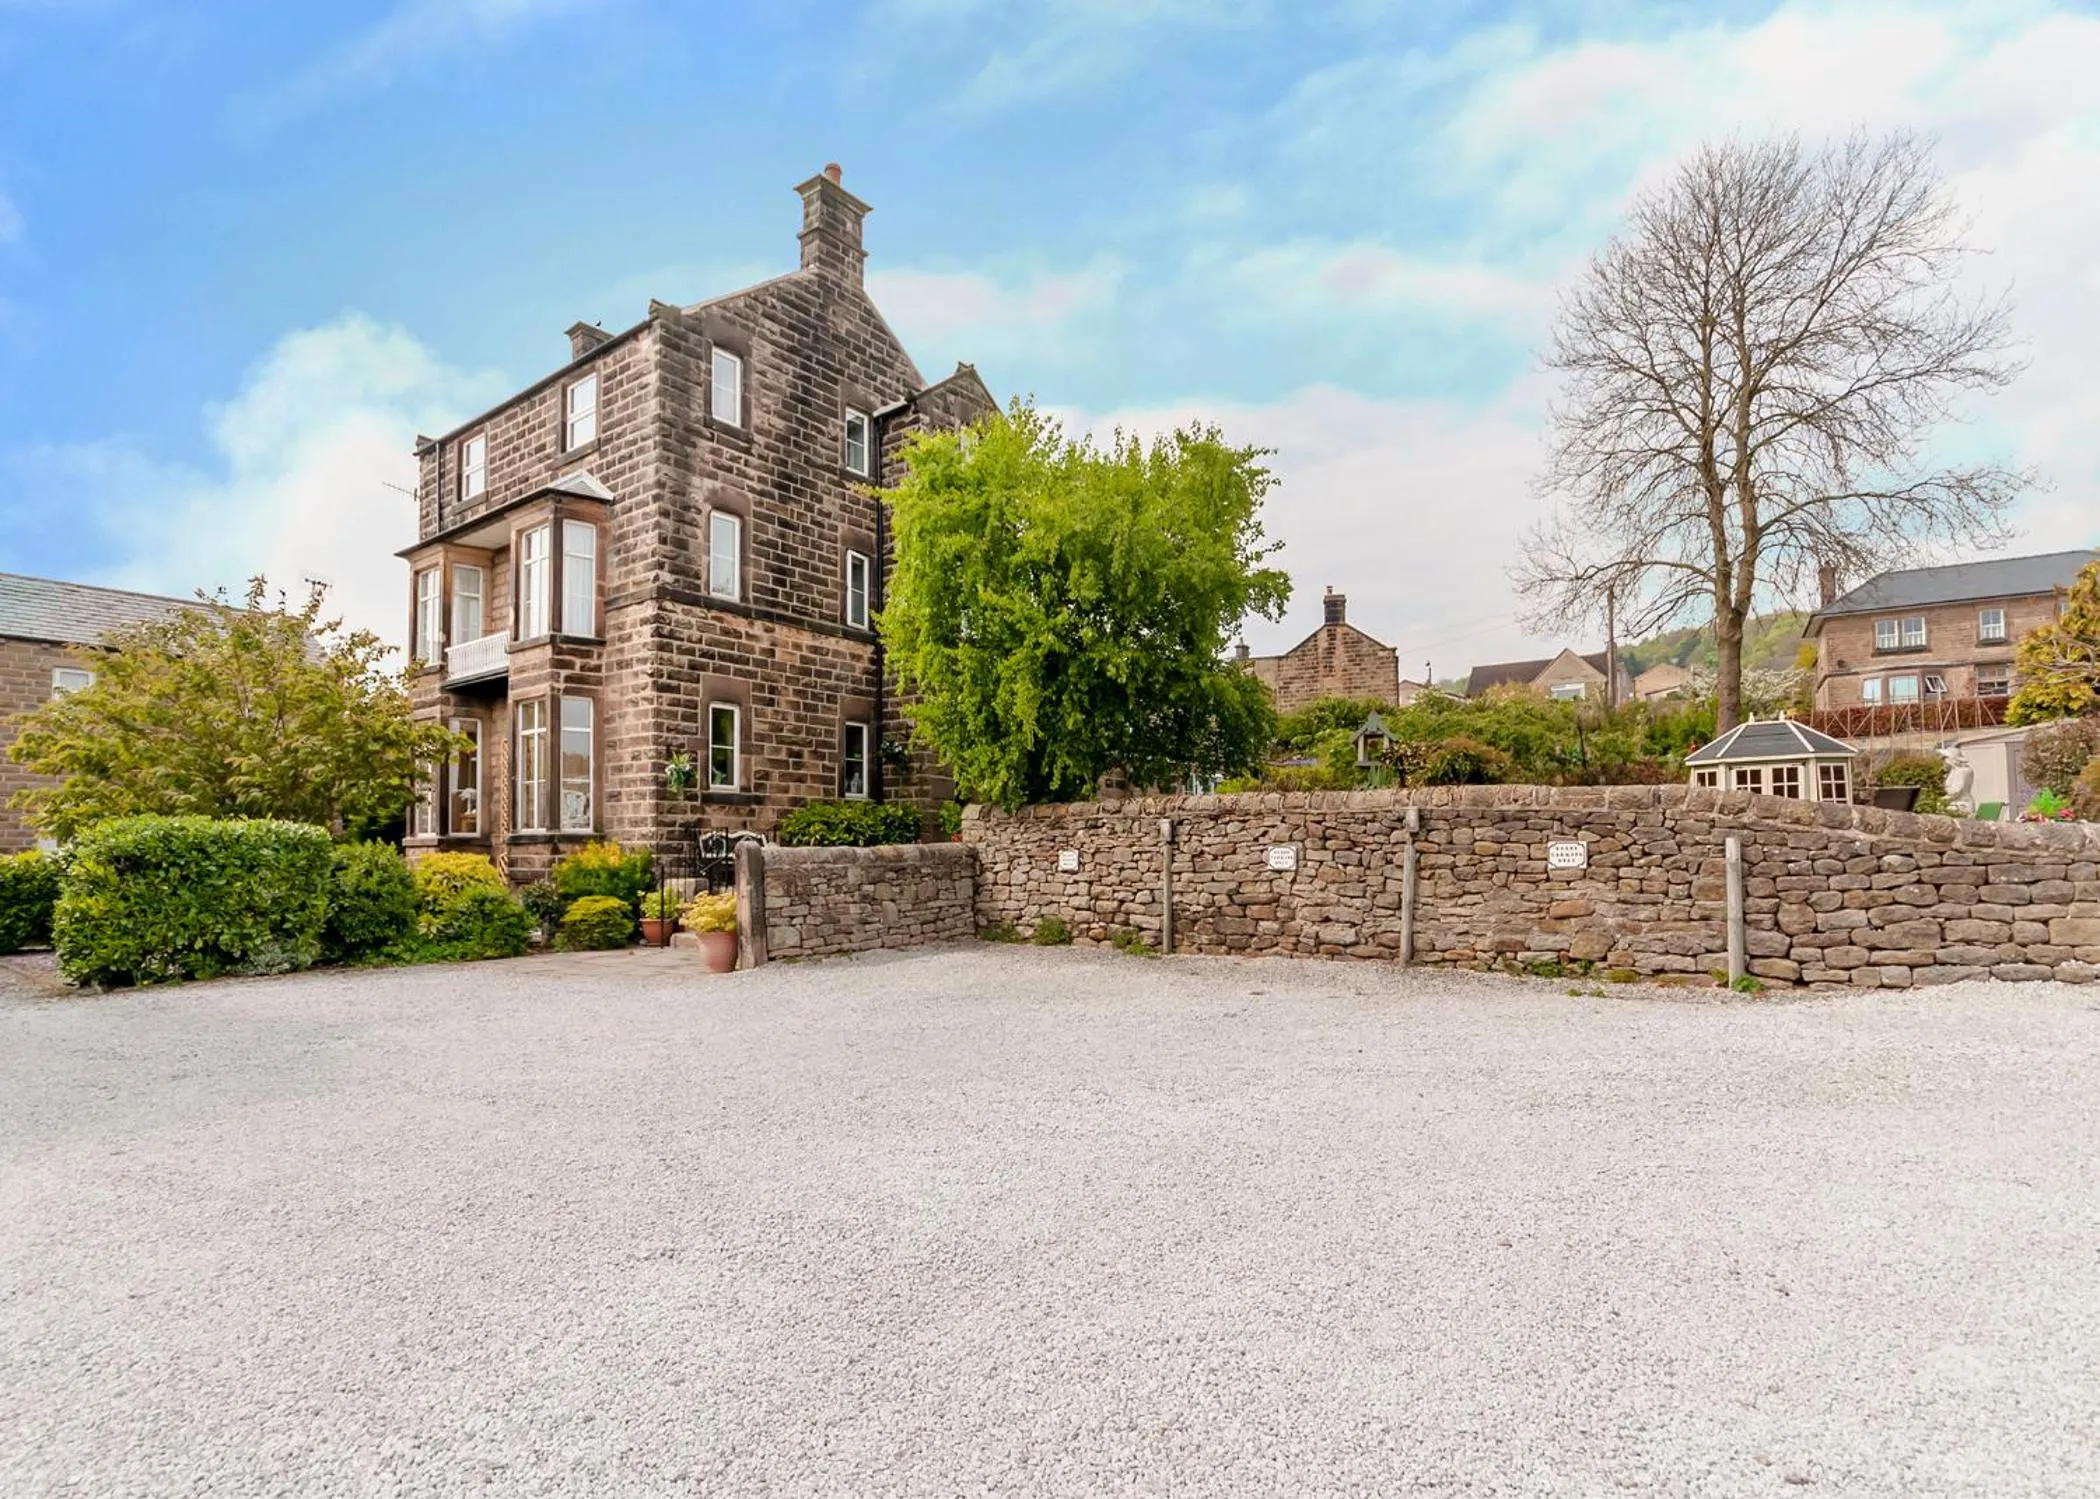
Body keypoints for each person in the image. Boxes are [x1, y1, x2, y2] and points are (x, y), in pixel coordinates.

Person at [1939, 744, 1975, 816]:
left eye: (1944, 758)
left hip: (1962, 804)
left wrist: (1940, 801)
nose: (1942, 760)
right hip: (1955, 803)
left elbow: (1956, 791)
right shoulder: (1954, 771)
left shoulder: (1962, 771)